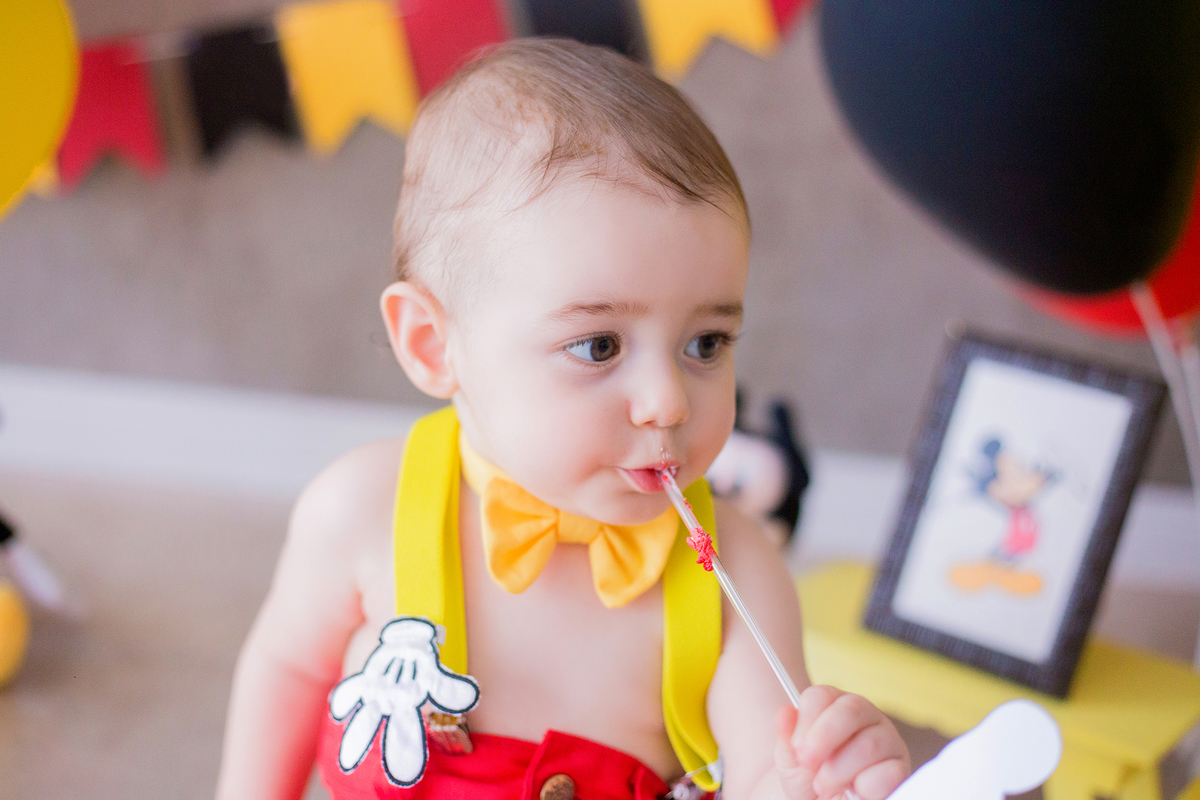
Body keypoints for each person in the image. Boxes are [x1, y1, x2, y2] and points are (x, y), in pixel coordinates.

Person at [215, 39, 910, 800]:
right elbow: (289, 668)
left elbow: (764, 778)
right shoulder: (361, 511)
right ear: (433, 345)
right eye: (598, 345)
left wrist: (817, 777)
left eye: (705, 343)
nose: (669, 402)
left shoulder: (735, 574)